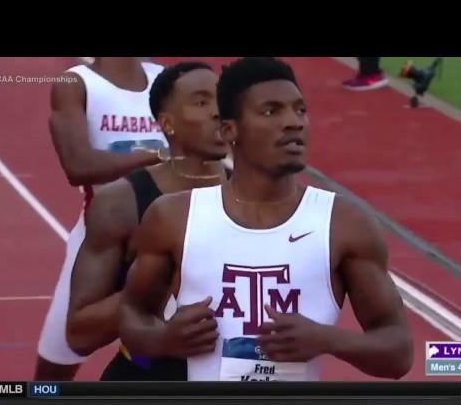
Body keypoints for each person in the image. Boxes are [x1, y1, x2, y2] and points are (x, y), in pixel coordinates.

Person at [119, 57, 414, 381]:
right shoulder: (174, 218)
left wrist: (328, 339)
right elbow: (133, 315)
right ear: (230, 130)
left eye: (300, 110)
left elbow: (399, 353)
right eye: (272, 111)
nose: (294, 122)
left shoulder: (344, 225)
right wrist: (164, 340)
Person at [65, 61, 230, 380]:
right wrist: (162, 275)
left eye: (222, 101)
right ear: (168, 124)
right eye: (201, 102)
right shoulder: (122, 202)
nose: (217, 112)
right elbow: (79, 333)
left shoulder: (259, 197)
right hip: (148, 383)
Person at [35, 57, 166, 381]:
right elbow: (79, 165)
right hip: (99, 243)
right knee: (54, 371)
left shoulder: (165, 79)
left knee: (168, 362)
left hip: (168, 242)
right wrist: (159, 157)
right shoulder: (75, 84)